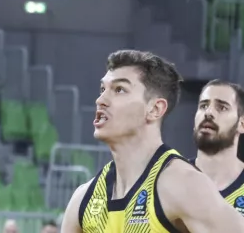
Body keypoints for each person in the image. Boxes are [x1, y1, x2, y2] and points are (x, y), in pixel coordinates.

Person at [60, 50, 243, 232]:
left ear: (155, 109)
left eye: (119, 90)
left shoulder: (183, 185)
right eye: (102, 89)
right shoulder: (83, 199)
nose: (101, 100)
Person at [189, 79, 244, 214]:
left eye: (222, 107)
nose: (209, 113)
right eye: (203, 106)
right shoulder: (169, 179)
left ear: (241, 124)